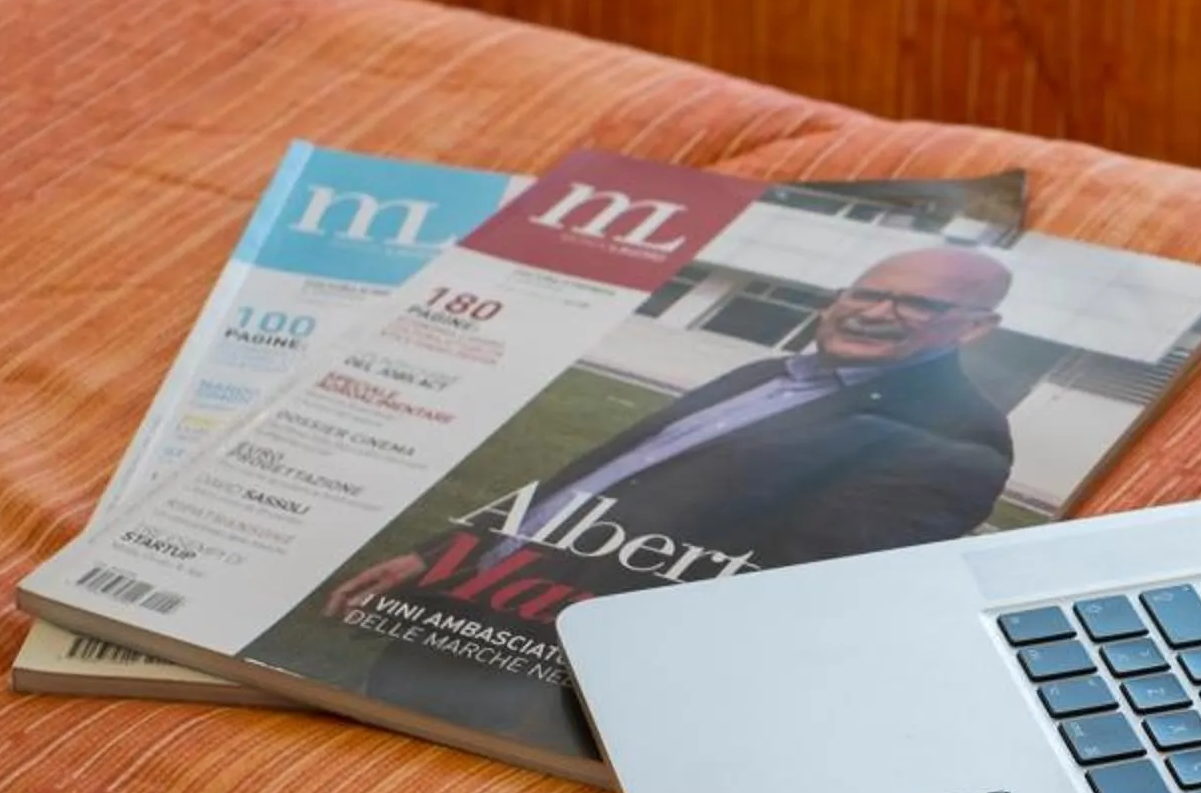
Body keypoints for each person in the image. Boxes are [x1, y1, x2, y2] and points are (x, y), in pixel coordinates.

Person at [325, 245, 1018, 624]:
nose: (877, 312)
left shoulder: (960, 442)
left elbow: (790, 605)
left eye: (917, 304)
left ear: (974, 328)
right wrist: (441, 553)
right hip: (486, 593)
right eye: (866, 292)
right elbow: (594, 476)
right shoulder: (765, 372)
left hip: (569, 657)